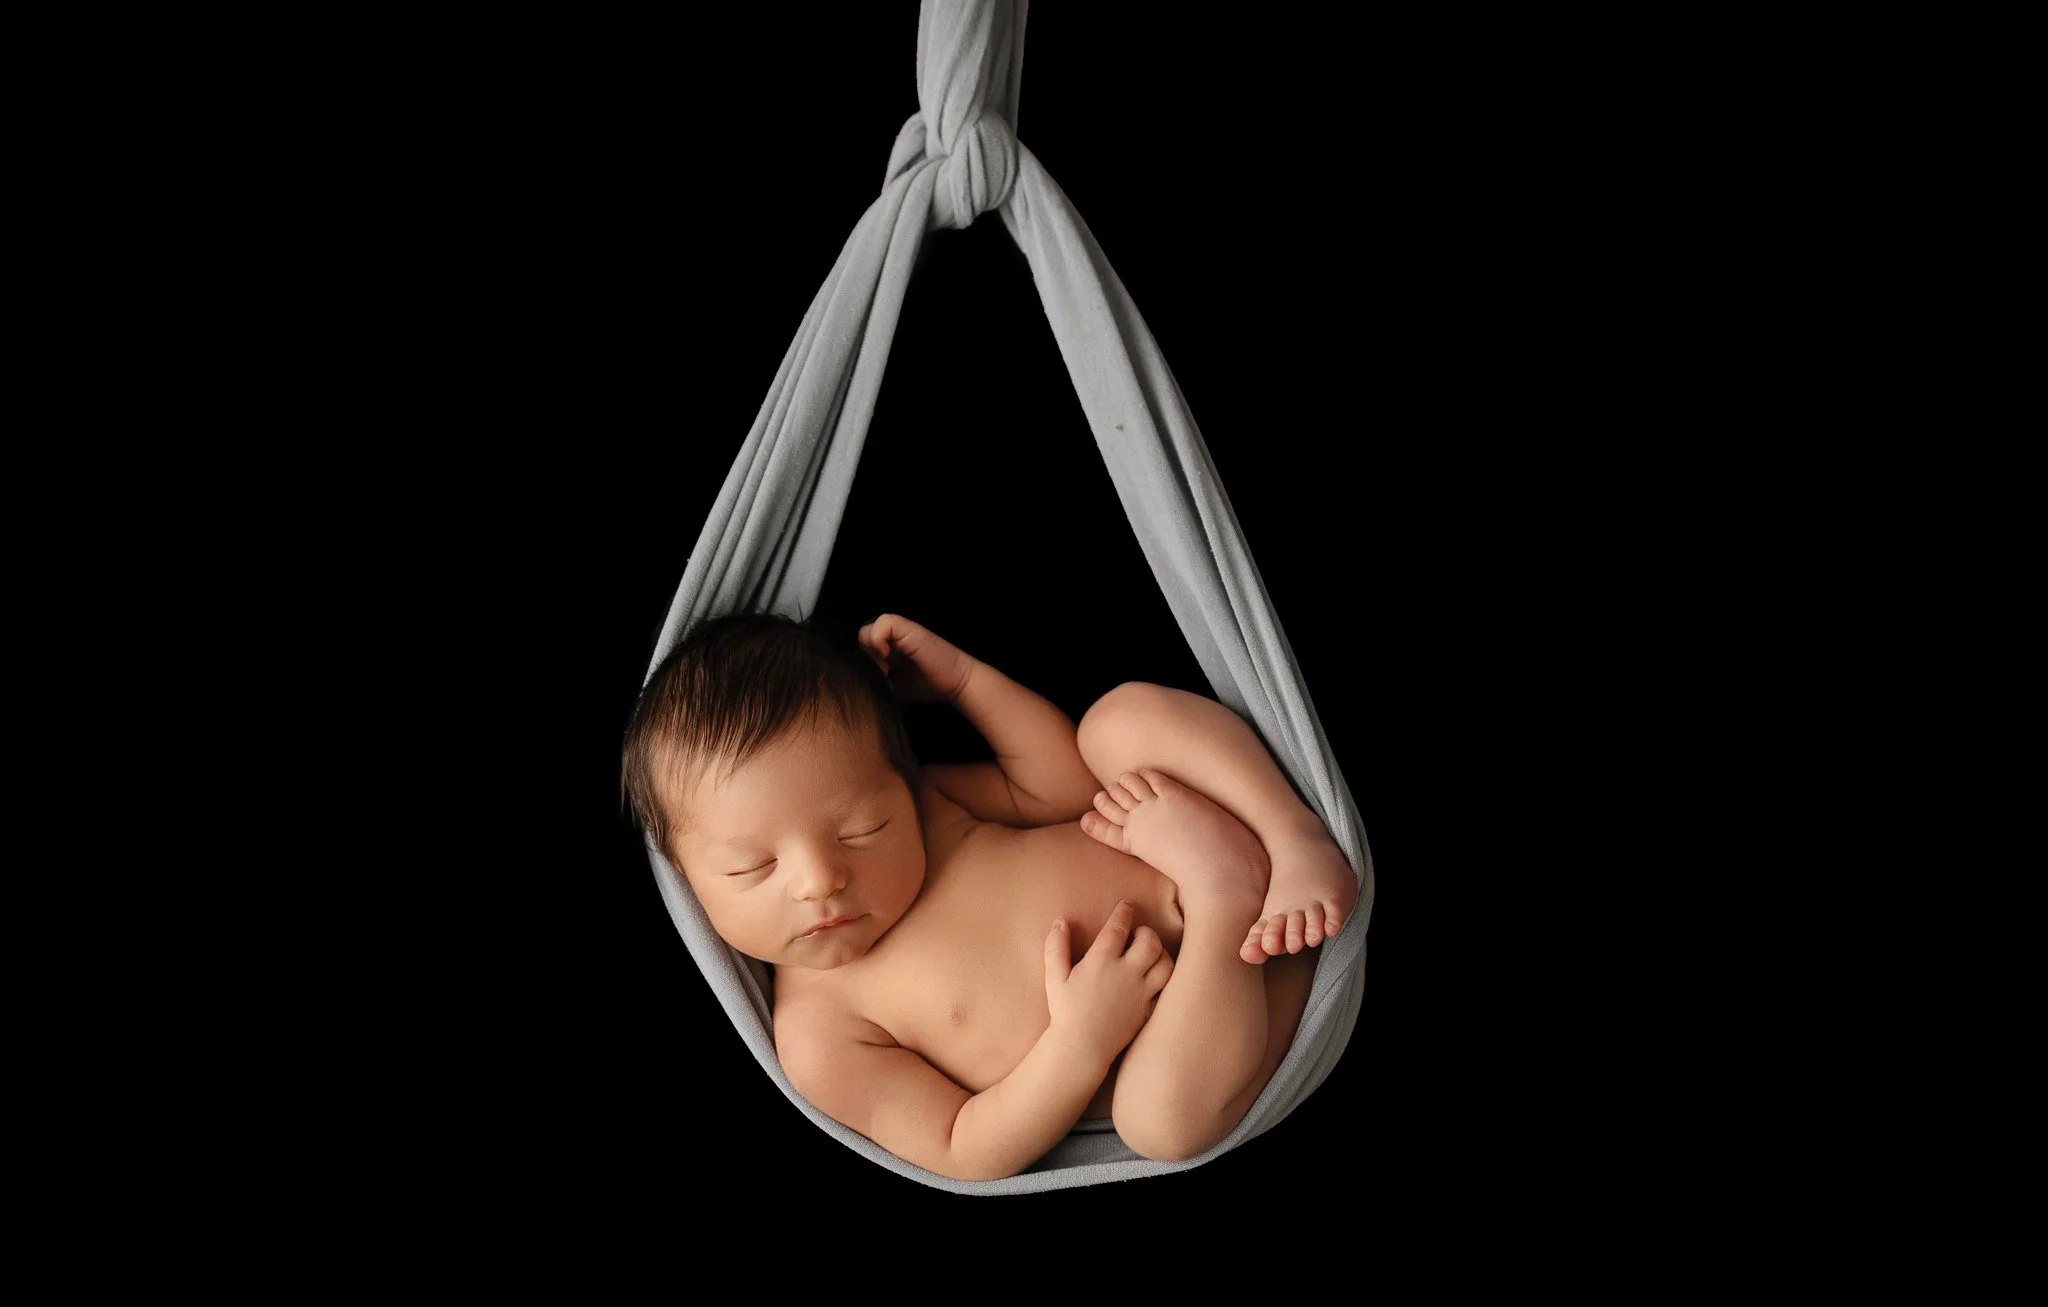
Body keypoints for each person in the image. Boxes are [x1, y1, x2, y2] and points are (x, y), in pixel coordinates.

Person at [619, 610, 1358, 1181]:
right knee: (1160, 1123)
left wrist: (963, 682)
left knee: (1115, 722)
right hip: (1222, 1018)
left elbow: (1066, 785)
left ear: (899, 786)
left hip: (1265, 886)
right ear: (684, 879)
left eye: (861, 827)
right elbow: (962, 1144)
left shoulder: (928, 807)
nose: (819, 879)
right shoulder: (821, 1033)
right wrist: (1082, 1042)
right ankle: (1221, 886)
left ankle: (1291, 836)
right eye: (752, 867)